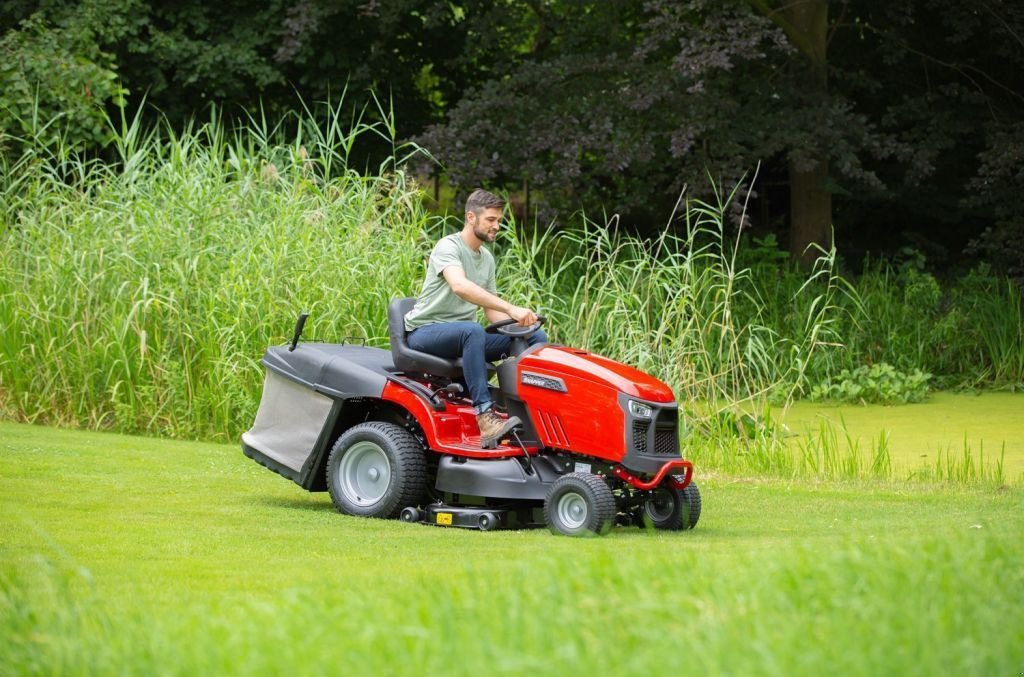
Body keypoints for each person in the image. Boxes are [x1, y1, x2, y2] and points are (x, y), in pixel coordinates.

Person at [404, 189, 547, 447]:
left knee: (535, 335)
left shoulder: (487, 259)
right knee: (472, 330)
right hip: (425, 333)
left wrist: (521, 324)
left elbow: (491, 313)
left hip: (462, 335)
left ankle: (529, 410)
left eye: (498, 220)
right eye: (491, 220)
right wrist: (512, 307)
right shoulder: (449, 246)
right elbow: (460, 286)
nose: (497, 226)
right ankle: (484, 416)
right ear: (472, 217)